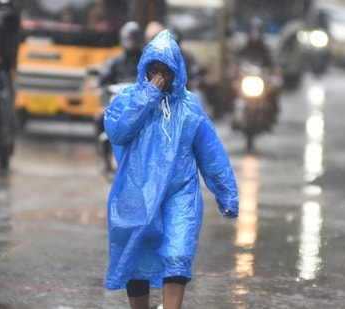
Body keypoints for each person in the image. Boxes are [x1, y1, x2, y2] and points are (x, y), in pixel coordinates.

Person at [103, 29, 239, 309]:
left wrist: (226, 194)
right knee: (136, 255)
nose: (160, 78)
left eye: (166, 72)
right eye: (154, 70)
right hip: (137, 193)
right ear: (144, 69)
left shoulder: (189, 107)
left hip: (180, 193)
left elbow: (211, 153)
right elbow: (117, 131)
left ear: (178, 72)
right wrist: (148, 95)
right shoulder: (130, 98)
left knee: (178, 253)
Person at [95, 21, 144, 177]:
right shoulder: (116, 61)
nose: (132, 43)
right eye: (129, 39)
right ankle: (103, 157)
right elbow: (104, 76)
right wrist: (99, 81)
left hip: (140, 106)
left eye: (135, 39)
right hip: (118, 103)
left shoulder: (146, 61)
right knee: (98, 118)